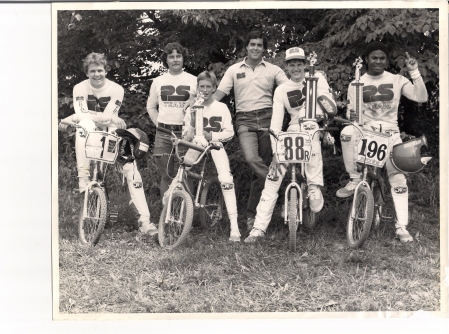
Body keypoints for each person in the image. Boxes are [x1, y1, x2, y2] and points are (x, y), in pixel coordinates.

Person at [336, 41, 428, 242]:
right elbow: (354, 115)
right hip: (366, 132)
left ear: (386, 60)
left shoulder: (397, 79)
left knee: (398, 179)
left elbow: (421, 97)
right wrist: (352, 116)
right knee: (347, 131)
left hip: (391, 133)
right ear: (367, 60)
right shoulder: (356, 83)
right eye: (374, 58)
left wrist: (414, 72)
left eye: (382, 58)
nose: (378, 61)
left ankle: (401, 227)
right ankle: (353, 179)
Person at [244, 47, 337, 242]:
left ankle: (313, 185)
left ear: (305, 64)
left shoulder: (317, 78)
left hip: (313, 127)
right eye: (291, 64)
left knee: (311, 128)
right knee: (272, 178)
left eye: (299, 63)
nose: (296, 68)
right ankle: (258, 229)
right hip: (293, 132)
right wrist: (277, 148)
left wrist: (320, 94)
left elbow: (330, 106)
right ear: (286, 66)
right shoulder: (282, 89)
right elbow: (276, 124)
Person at [59, 53, 156, 235]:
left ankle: (144, 221)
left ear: (106, 70)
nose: (97, 74)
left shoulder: (116, 88)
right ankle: (84, 177)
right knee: (85, 124)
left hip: (111, 134)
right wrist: (80, 118)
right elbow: (85, 117)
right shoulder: (79, 87)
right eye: (92, 71)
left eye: (100, 70)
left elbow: (104, 120)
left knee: (131, 169)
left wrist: (71, 118)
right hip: (88, 135)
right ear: (87, 72)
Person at [213, 30, 289, 232]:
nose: (256, 48)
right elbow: (220, 93)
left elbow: (290, 90)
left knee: (259, 171)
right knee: (251, 159)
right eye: (252, 44)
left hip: (267, 118)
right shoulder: (234, 69)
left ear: (264, 48)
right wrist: (201, 105)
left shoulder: (273, 70)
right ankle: (281, 188)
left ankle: (251, 216)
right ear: (246, 47)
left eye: (259, 45)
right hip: (245, 120)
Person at [183, 71, 240, 242]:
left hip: (215, 144)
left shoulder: (221, 107)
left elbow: (229, 132)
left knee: (225, 179)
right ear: (197, 88)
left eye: (209, 86)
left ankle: (235, 227)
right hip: (198, 143)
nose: (205, 90)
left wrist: (213, 136)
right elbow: (187, 134)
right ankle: (177, 204)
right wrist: (192, 119)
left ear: (214, 88)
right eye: (202, 87)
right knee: (184, 165)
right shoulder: (193, 106)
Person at [146, 42, 197, 199]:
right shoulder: (158, 81)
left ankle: (186, 214)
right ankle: (166, 212)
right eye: (171, 56)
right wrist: (159, 124)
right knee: (167, 175)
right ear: (166, 60)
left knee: (185, 173)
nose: (175, 60)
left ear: (183, 58)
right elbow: (151, 107)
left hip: (185, 133)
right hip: (164, 134)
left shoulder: (194, 80)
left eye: (178, 56)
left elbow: (203, 106)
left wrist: (194, 100)